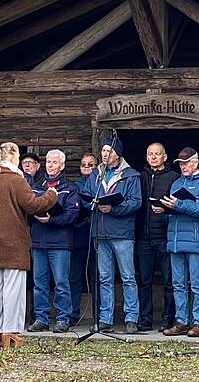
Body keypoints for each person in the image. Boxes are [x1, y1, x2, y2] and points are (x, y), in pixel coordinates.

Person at [0, 142, 57, 348]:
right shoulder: (16, 180)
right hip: (14, 242)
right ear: (14, 157)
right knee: (13, 291)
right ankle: (10, 333)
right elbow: (33, 205)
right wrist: (52, 194)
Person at [81, 139, 142, 334]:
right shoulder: (95, 175)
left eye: (109, 150)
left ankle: (131, 317)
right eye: (103, 150)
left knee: (128, 277)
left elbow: (135, 203)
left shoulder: (131, 175)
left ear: (118, 154)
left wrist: (113, 208)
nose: (105, 154)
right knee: (104, 278)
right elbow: (85, 197)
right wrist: (91, 204)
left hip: (122, 233)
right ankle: (105, 318)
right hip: (100, 232)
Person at [161, 147, 199, 337]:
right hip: (175, 240)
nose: (183, 167)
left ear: (195, 163)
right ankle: (182, 321)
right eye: (180, 164)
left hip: (195, 239)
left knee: (198, 283)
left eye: (186, 163)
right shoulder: (176, 183)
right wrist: (163, 210)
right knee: (178, 284)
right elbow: (176, 209)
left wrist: (179, 205)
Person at [27, 149, 80, 333]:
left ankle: (63, 318)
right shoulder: (35, 185)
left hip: (60, 242)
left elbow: (72, 215)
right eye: (48, 162)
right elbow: (27, 207)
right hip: (38, 240)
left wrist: (52, 220)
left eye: (55, 162)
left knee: (61, 283)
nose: (50, 165)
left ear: (62, 165)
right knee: (39, 283)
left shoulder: (70, 188)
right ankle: (41, 319)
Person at [135, 142, 179, 332]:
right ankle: (145, 319)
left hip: (165, 235)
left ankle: (168, 318)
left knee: (169, 281)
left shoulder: (174, 177)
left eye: (157, 154)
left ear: (165, 157)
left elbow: (180, 206)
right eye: (150, 154)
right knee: (144, 280)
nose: (153, 157)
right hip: (143, 236)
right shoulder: (139, 177)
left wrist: (166, 209)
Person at [69, 153, 97, 325]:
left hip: (96, 237)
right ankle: (73, 314)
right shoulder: (74, 186)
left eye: (91, 164)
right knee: (74, 278)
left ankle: (99, 315)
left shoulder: (101, 184)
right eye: (84, 164)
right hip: (78, 235)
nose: (87, 167)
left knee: (97, 278)